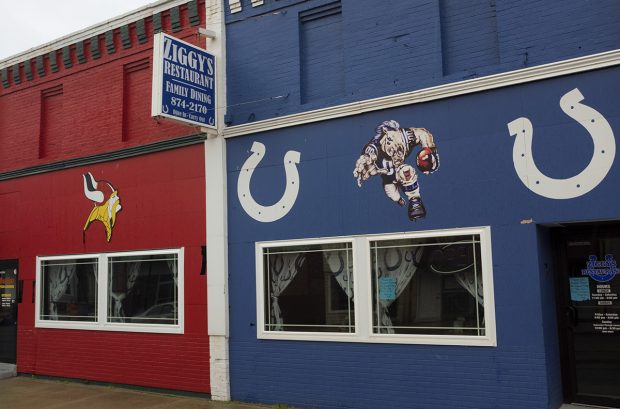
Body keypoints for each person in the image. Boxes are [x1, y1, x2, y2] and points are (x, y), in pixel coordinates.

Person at [353, 120, 440, 220]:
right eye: (390, 140)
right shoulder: (374, 148)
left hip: (399, 170)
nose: (394, 147)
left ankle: (415, 202)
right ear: (385, 133)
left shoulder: (406, 136)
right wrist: (363, 163)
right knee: (394, 195)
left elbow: (422, 133)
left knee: (406, 171)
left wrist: (429, 150)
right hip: (389, 179)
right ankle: (400, 200)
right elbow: (366, 156)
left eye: (397, 141)